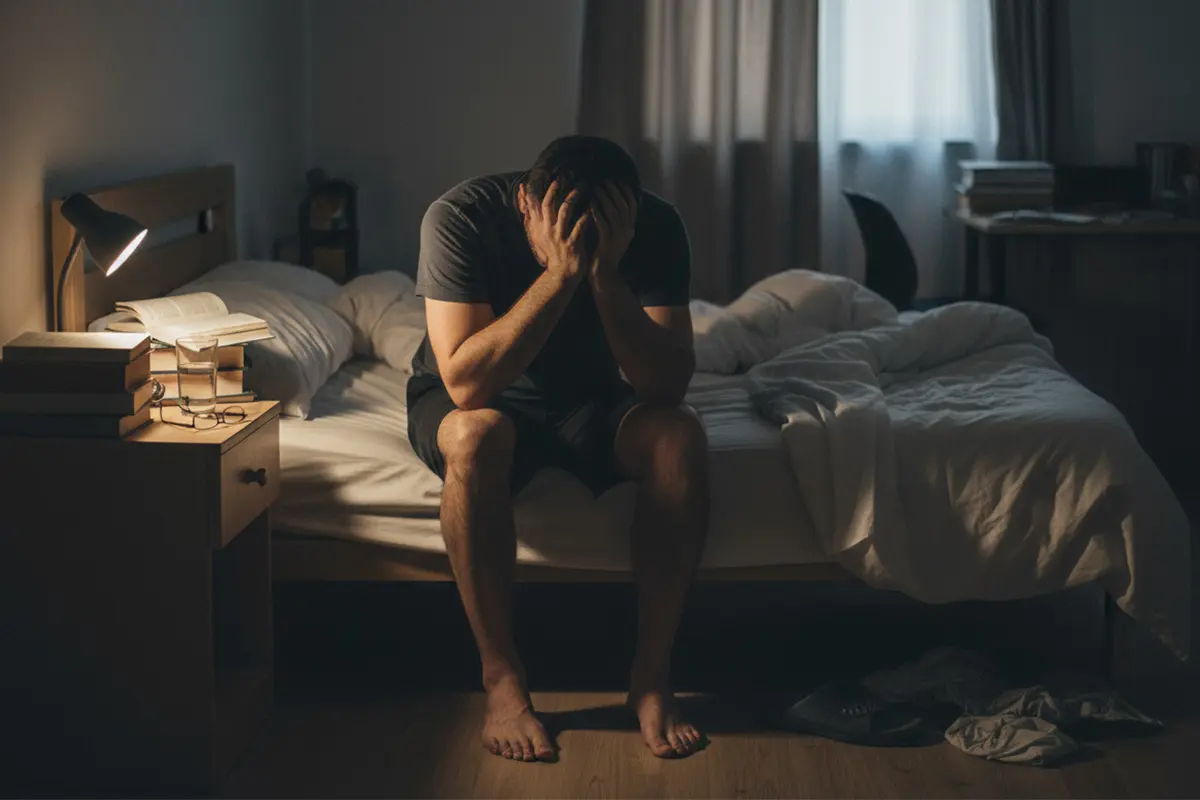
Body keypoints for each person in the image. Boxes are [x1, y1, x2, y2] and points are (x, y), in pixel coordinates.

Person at [407, 135, 710, 761]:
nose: (582, 238)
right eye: (568, 228)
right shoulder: (460, 217)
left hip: (592, 398)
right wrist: (560, 273)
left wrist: (603, 278)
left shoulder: (652, 225)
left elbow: (666, 385)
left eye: (596, 231)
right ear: (526, 202)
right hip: (481, 392)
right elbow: (465, 383)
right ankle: (503, 682)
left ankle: (651, 678)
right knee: (475, 436)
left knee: (679, 438)